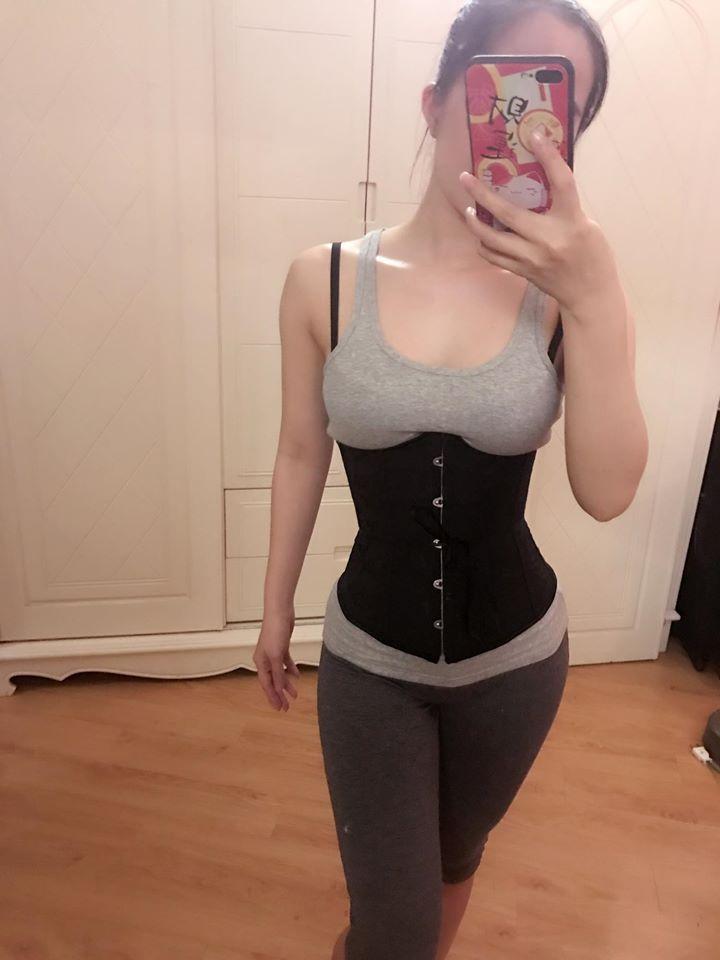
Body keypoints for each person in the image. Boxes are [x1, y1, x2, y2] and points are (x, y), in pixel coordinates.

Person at [254, 1, 648, 958]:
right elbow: (301, 449)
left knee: (455, 858)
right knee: (390, 925)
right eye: (506, 88)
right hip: (372, 663)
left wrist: (597, 296)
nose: (530, 128)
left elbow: (607, 492)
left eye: (559, 109)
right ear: (437, 102)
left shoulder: (567, 293)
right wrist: (271, 613)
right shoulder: (322, 279)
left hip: (518, 663)